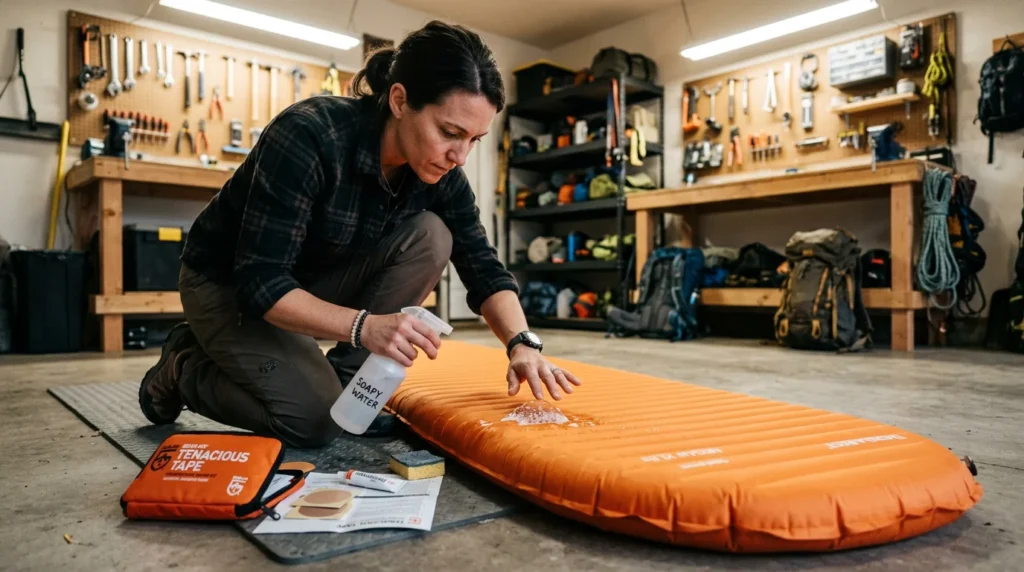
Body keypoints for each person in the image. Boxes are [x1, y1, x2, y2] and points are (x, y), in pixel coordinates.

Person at [137, 21, 582, 448]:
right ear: (399, 100)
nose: (460, 156)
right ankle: (183, 365)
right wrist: (364, 327)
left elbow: (482, 266)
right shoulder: (310, 134)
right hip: (229, 286)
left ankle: (347, 386)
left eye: (474, 140)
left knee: (432, 235)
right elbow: (260, 283)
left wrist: (522, 344)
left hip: (309, 280)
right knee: (315, 422)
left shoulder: (441, 172)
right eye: (450, 132)